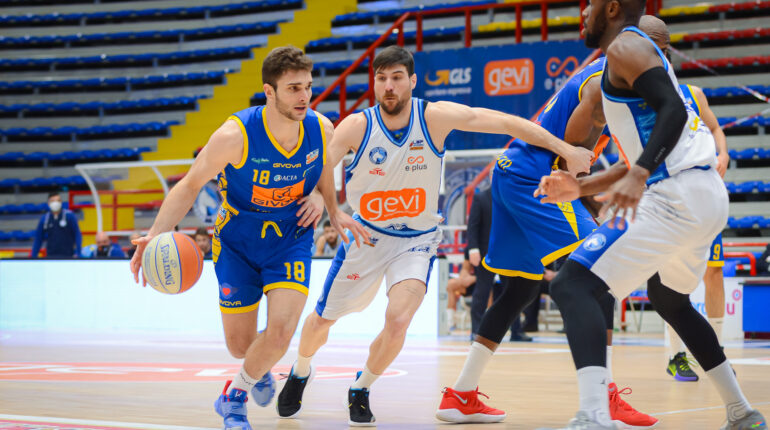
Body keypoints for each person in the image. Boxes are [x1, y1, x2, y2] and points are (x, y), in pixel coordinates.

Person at [276, 45, 594, 426]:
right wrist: (323, 201)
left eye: (397, 78)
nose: (389, 86)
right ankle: (301, 369)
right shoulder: (356, 126)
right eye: (381, 78)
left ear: (412, 81)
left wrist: (563, 148)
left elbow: (507, 123)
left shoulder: (434, 117)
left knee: (398, 321)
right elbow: (319, 171)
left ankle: (361, 387)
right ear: (374, 84)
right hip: (366, 237)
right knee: (321, 321)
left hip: (416, 241)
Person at [534, 1, 766, 428]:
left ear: (612, 8)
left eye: (591, 4)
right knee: (669, 299)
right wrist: (580, 187)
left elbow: (672, 115)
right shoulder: (631, 63)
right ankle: (741, 411)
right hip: (702, 194)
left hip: (675, 195)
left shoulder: (626, 46)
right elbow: (646, 151)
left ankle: (593, 415)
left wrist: (641, 173)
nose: (583, 12)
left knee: (572, 284)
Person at [129, 46, 367, 430]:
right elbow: (190, 184)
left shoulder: (321, 128)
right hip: (236, 241)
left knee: (281, 332)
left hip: (290, 237)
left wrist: (328, 203)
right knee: (240, 346)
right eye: (293, 88)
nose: (304, 96)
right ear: (269, 92)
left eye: (307, 86)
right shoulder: (234, 136)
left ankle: (233, 399)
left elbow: (324, 164)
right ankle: (258, 367)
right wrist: (155, 234)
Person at [435, 47, 654, 429]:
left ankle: (461, 394)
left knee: (519, 289)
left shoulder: (604, 75)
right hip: (534, 180)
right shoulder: (601, 91)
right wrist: (594, 205)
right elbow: (568, 167)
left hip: (510, 172)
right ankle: (603, 399)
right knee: (597, 274)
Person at [636, 15, 732, 382]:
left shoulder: (693, 94)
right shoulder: (636, 96)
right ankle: (676, 356)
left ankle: (716, 350)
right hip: (663, 197)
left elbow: (715, 127)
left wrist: (723, 153)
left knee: (713, 271)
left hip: (701, 194)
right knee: (668, 281)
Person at [31, 192, 81, 258]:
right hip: (51, 257)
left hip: (68, 256)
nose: (55, 203)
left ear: (61, 202)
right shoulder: (45, 218)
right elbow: (38, 239)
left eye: (58, 200)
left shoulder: (70, 216)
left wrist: (78, 253)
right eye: (53, 201)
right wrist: (33, 257)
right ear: (48, 203)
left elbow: (77, 234)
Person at [446, 249, 477, 331]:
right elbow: (465, 269)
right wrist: (463, 278)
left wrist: (474, 278)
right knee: (450, 285)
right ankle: (450, 323)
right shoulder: (470, 249)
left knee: (489, 288)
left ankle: (487, 322)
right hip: (470, 283)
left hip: (485, 281)